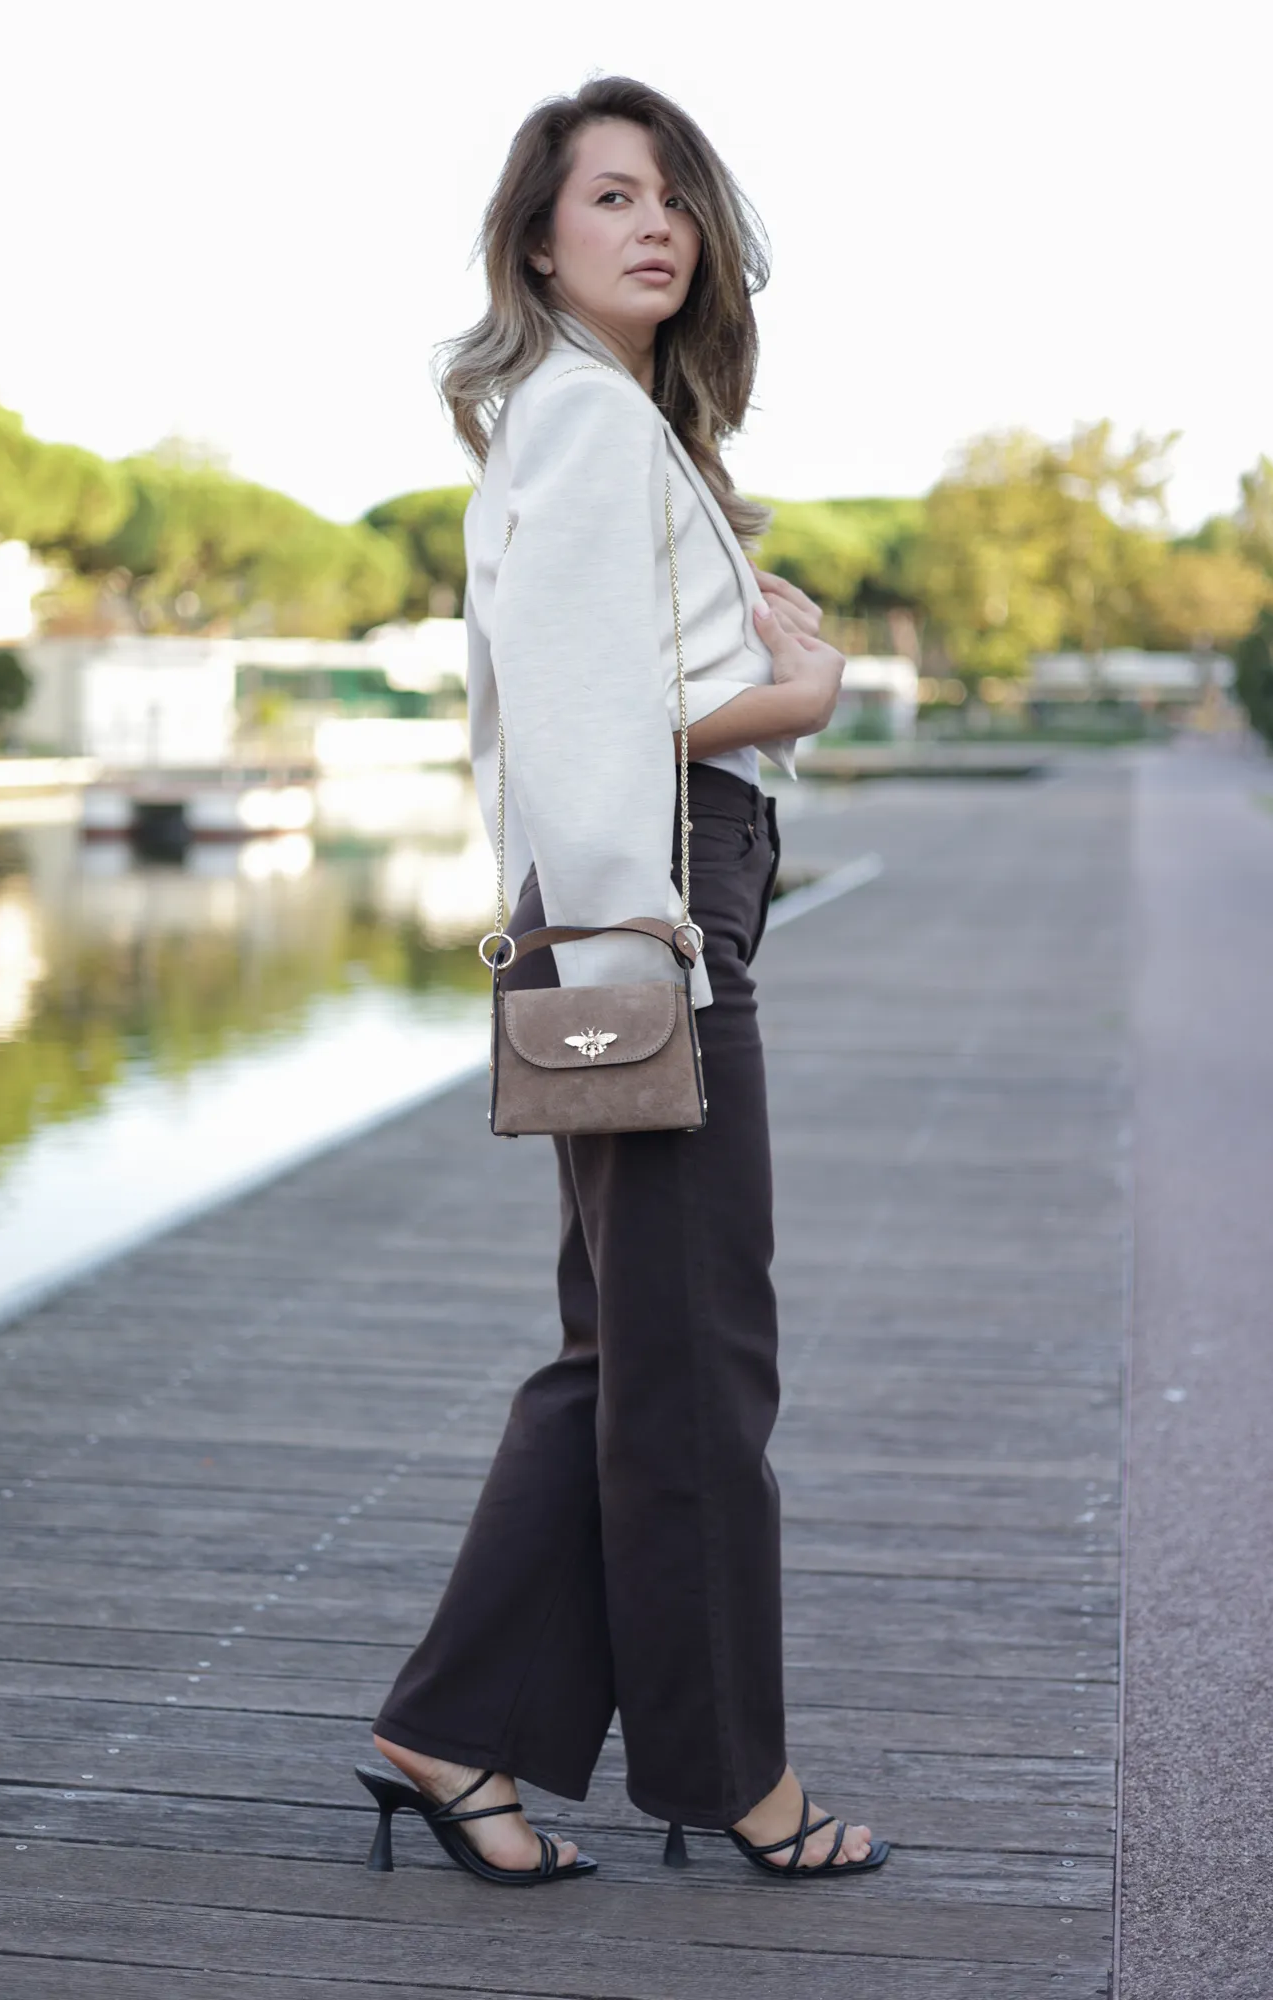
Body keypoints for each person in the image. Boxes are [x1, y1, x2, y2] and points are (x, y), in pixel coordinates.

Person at [355, 76, 890, 1888]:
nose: (655, 224)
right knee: (695, 1365)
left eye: (675, 198)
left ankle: (455, 1724)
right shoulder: (587, 420)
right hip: (648, 912)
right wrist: (796, 698)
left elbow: (606, 692)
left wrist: (760, 653)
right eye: (610, 197)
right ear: (535, 242)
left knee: (629, 1353)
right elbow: (595, 727)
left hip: (644, 900)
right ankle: (738, 1778)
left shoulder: (599, 420)